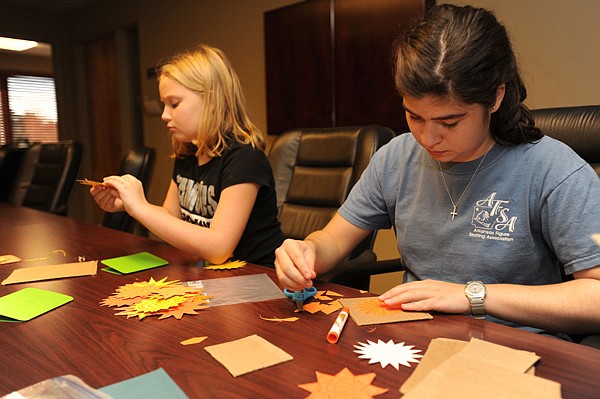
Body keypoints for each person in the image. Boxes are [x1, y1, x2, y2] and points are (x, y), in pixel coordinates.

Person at [274, 4, 600, 337]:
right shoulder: (396, 158)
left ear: (495, 97)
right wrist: (307, 252)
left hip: (516, 353)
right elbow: (332, 240)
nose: (427, 138)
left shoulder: (553, 170)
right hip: (414, 342)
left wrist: (473, 295)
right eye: (414, 117)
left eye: (449, 122)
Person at [90, 44, 284, 267]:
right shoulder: (188, 154)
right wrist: (129, 205)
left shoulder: (245, 158)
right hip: (215, 277)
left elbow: (219, 248)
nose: (164, 115)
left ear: (212, 101)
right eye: (164, 105)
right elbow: (171, 219)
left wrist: (141, 207)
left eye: (174, 104)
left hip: (258, 277)